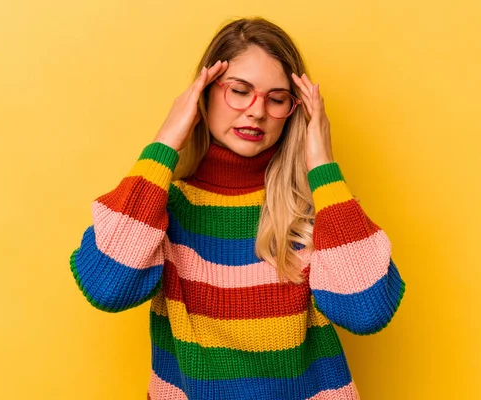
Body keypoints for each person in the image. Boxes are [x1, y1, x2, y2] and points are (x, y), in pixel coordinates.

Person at [69, 16, 406, 400]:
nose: (257, 111)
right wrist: (166, 139)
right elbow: (106, 287)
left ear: (294, 111)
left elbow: (369, 312)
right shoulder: (162, 208)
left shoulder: (317, 211)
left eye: (276, 99)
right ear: (205, 94)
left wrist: (323, 166)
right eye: (240, 91)